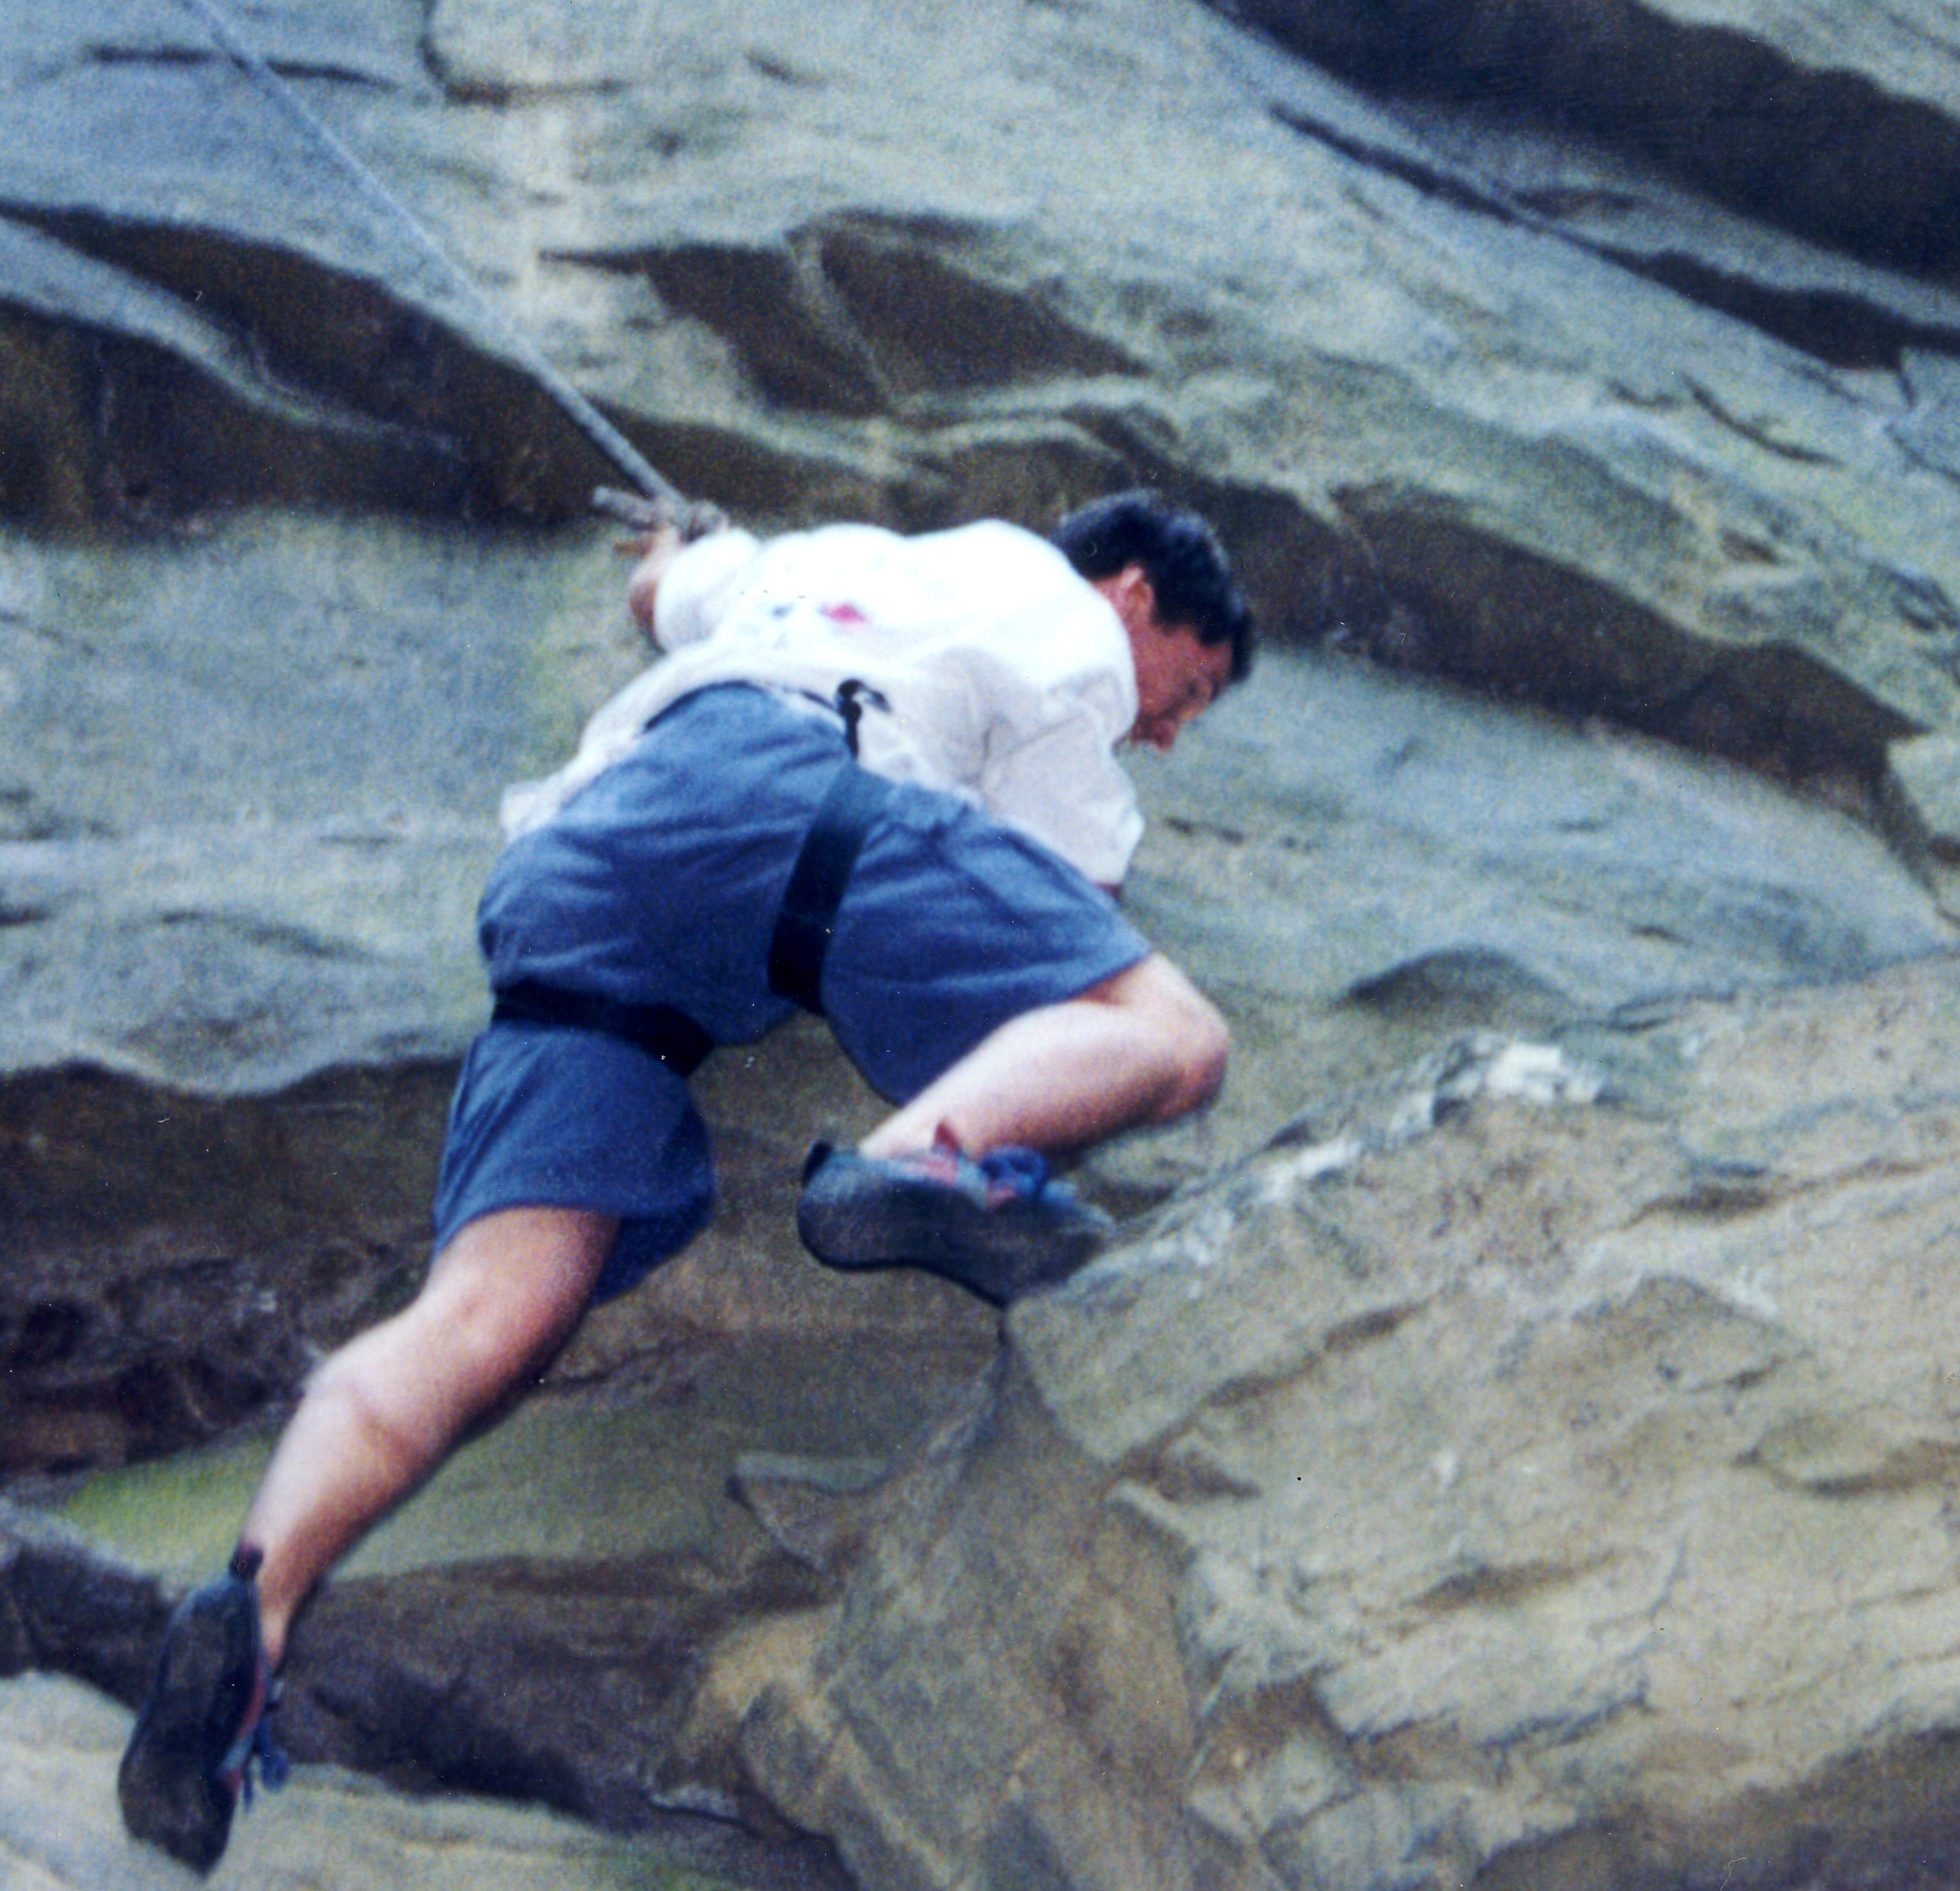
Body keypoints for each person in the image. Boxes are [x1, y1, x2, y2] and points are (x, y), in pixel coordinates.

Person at [117, 488, 1254, 1871]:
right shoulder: (1053, 599)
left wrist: (675, 555)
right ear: (1132, 591)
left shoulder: (810, 564)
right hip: (799, 813)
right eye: (1185, 688)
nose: (1169, 728)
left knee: (484, 1316)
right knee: (1175, 1037)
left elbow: (673, 592)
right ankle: (919, 1165)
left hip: (581, 871)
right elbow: (1064, 869)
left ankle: (254, 1607)